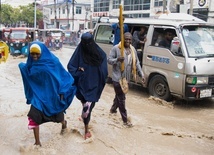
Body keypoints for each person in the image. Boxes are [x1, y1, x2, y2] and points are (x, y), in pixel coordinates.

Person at [18, 41, 76, 146]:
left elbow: (64, 76)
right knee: (33, 117)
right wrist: (22, 66)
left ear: (42, 52)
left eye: (37, 54)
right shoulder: (31, 63)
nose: (35, 56)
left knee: (58, 116)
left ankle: (64, 124)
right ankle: (37, 142)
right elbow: (27, 71)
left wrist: (62, 91)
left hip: (52, 94)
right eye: (32, 54)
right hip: (38, 96)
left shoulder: (53, 62)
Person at [67, 32, 108, 139]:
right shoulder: (90, 53)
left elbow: (71, 66)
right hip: (88, 84)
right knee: (88, 104)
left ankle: (86, 124)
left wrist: (79, 71)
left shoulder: (92, 53)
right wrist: (79, 71)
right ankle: (86, 130)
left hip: (89, 84)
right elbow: (71, 66)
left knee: (86, 105)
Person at [107, 32, 145, 127]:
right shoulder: (116, 48)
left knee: (119, 96)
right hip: (117, 78)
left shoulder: (133, 50)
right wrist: (117, 60)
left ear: (131, 40)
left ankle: (113, 109)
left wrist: (142, 75)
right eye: (126, 39)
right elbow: (109, 60)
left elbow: (136, 63)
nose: (128, 41)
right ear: (123, 39)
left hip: (126, 79)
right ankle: (125, 120)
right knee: (122, 99)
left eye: (129, 39)